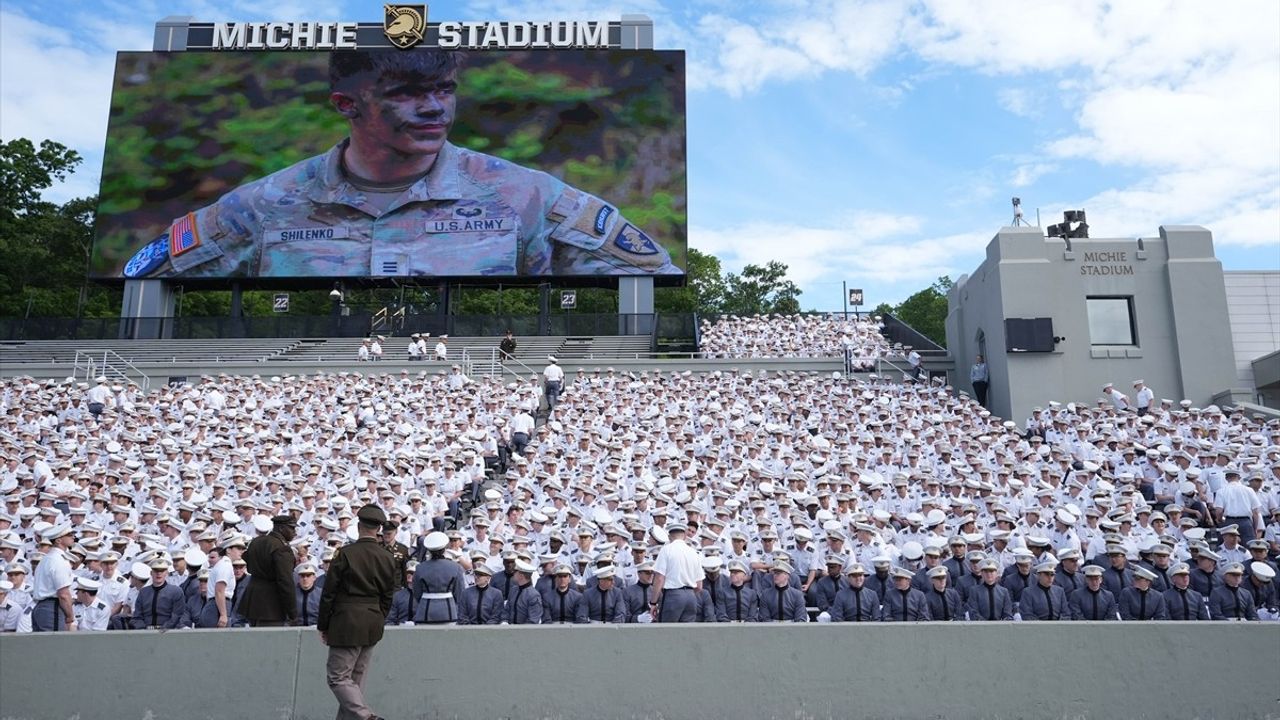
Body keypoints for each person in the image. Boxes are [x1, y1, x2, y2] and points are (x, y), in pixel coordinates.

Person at [124, 49, 680, 279]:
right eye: (409, 94)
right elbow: (142, 282)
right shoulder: (261, 204)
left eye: (444, 90)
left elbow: (652, 278)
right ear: (348, 105)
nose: (435, 108)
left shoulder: (525, 195)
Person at [317, 504, 398, 720]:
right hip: (372, 620)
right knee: (355, 681)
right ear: (378, 529)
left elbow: (329, 593)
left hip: (346, 620)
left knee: (337, 677)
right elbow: (388, 595)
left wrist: (323, 625)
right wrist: (379, 616)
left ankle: (367, 716)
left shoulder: (345, 554)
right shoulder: (387, 556)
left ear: (359, 526)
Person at [239, 514, 299, 627]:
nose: (294, 532)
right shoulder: (282, 548)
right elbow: (285, 582)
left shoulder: (256, 542)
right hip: (271, 605)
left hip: (253, 601)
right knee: (269, 642)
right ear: (281, 528)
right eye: (291, 528)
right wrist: (293, 613)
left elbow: (247, 561)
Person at [650, 523, 702, 623]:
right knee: (686, 635)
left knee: (667, 633)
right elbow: (699, 586)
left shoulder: (666, 550)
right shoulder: (693, 552)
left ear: (669, 536)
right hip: (691, 596)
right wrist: (688, 593)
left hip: (673, 595)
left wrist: (653, 602)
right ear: (685, 535)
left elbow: (659, 578)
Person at [30, 524, 76, 632]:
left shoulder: (46, 559)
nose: (73, 536)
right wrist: (70, 616)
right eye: (69, 534)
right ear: (58, 540)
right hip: (52, 608)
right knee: (54, 646)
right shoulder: (58, 560)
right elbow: (63, 594)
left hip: (41, 607)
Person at [412, 531, 465, 624]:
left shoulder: (420, 568)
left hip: (425, 611)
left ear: (429, 550)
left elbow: (417, 593)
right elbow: (459, 593)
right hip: (448, 611)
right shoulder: (455, 567)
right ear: (444, 549)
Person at [130, 557, 190, 629]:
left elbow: (177, 616)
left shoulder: (176, 591)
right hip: (146, 632)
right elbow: (137, 616)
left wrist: (163, 629)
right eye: (156, 570)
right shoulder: (143, 592)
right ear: (151, 573)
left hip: (168, 632)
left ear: (167, 573)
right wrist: (143, 629)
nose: (159, 573)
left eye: (162, 570)